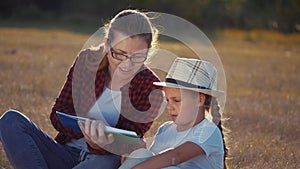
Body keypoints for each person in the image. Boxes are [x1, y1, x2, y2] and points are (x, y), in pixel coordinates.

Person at [0, 9, 164, 169]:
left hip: (103, 160)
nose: (126, 64)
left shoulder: (150, 88)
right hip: (64, 152)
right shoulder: (87, 61)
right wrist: (84, 128)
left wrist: (100, 144)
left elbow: (131, 142)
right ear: (107, 44)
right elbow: (57, 114)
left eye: (137, 57)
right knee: (10, 120)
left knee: (105, 162)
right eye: (119, 54)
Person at [119, 57, 228, 169]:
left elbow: (176, 156)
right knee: (140, 155)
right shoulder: (165, 129)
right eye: (167, 100)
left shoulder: (208, 131)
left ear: (199, 100)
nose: (169, 106)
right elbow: (153, 160)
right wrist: (132, 159)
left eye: (176, 100)